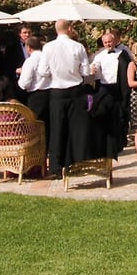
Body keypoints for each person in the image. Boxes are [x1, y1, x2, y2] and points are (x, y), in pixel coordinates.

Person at [37, 19, 91, 177]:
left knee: (57, 128)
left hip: (57, 91)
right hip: (75, 90)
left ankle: (55, 166)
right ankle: (74, 162)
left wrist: (54, 72)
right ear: (69, 28)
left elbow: (42, 71)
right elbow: (86, 72)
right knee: (75, 128)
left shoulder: (48, 47)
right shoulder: (78, 46)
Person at [18, 35, 50, 133]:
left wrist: (21, 75)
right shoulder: (47, 59)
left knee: (35, 125)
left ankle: (38, 147)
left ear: (28, 47)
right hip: (50, 94)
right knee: (48, 125)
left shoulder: (30, 61)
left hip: (36, 96)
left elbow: (25, 83)